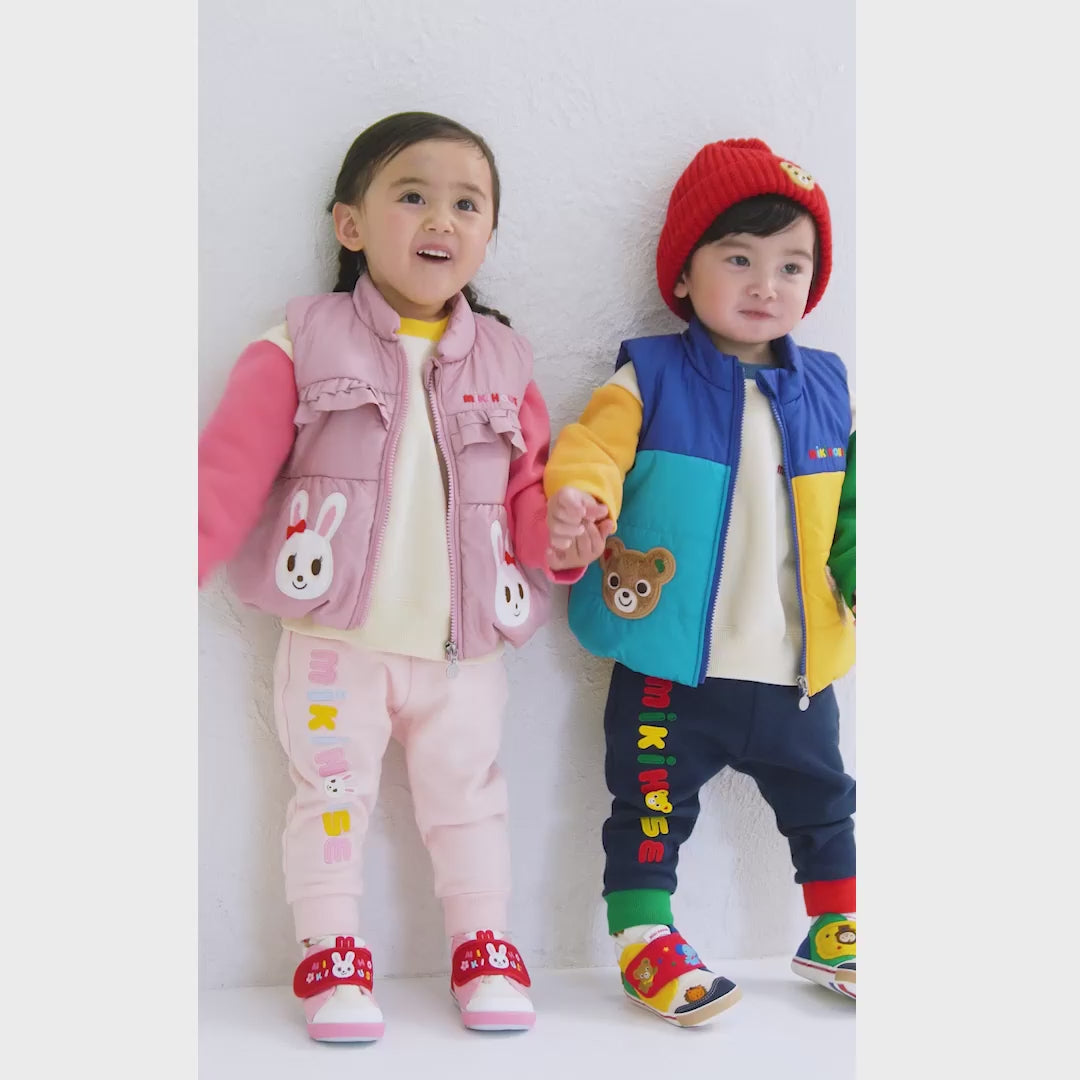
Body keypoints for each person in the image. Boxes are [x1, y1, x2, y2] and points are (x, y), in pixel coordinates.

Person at [199, 111, 568, 1040]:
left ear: (489, 233)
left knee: (470, 797)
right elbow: (226, 474)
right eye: (413, 195)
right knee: (330, 799)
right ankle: (330, 953)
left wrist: (566, 533)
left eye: (467, 204)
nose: (441, 219)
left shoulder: (506, 359)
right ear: (351, 223)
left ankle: (484, 946)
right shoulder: (297, 343)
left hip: (464, 651)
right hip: (335, 643)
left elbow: (528, 492)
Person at [543, 138, 857, 1025]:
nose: (766, 284)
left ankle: (838, 926)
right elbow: (592, 450)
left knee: (826, 799)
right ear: (683, 274)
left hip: (794, 667)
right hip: (671, 665)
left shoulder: (829, 385)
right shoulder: (649, 374)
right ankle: (645, 935)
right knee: (649, 804)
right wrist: (579, 499)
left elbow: (855, 507)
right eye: (738, 258)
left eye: (792, 265)